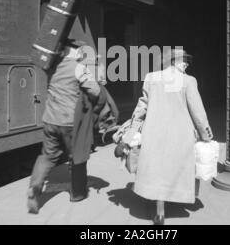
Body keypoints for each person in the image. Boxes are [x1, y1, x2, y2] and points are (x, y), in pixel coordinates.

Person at [122, 48, 213, 225]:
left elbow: (142, 106)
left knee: (157, 170)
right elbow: (198, 113)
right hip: (180, 135)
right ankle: (167, 204)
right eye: (183, 60)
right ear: (172, 61)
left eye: (187, 60)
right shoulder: (188, 81)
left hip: (153, 132)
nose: (186, 63)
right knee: (173, 169)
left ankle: (159, 211)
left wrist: (132, 130)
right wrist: (205, 134)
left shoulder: (151, 78)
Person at [27, 39, 104, 214]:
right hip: (70, 122)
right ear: (75, 51)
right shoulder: (78, 67)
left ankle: (35, 186)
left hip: (50, 119)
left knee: (47, 156)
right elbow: (95, 91)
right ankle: (77, 194)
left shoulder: (52, 66)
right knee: (77, 157)